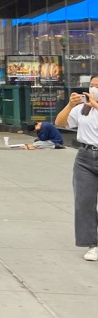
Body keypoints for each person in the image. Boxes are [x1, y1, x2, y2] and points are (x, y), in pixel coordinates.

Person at [54, 76, 98, 261]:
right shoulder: (83, 108)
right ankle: (93, 244)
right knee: (84, 202)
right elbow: (60, 122)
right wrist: (70, 105)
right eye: (92, 85)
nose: (94, 88)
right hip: (85, 157)